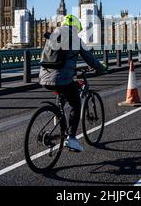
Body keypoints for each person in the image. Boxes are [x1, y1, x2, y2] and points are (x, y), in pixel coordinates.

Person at [39, 14, 107, 152]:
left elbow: (56, 59)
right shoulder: (75, 38)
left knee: (65, 88)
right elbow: (90, 59)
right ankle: (72, 138)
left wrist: (71, 68)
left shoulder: (52, 35)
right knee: (76, 103)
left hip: (43, 76)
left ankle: (57, 115)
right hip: (60, 77)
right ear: (76, 28)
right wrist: (101, 68)